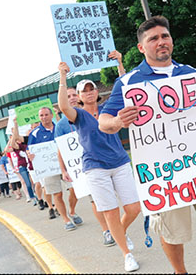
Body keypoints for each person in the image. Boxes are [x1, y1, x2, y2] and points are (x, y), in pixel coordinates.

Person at [97, 17, 196, 273]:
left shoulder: (192, 74)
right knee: (172, 234)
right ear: (141, 47)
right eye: (153, 39)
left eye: (165, 36)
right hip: (165, 174)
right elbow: (103, 122)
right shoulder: (128, 83)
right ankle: (180, 271)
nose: (161, 42)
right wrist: (117, 120)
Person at [58, 67, 141, 272]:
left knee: (133, 208)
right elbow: (62, 105)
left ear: (97, 92)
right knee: (111, 212)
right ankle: (127, 254)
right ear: (78, 96)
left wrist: (120, 63)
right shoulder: (77, 115)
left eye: (91, 89)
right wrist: (62, 76)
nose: (88, 92)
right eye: (83, 90)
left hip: (120, 162)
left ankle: (119, 233)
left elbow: (126, 88)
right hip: (95, 168)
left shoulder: (108, 108)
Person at [55, 85, 115, 246]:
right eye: (68, 96)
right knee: (95, 199)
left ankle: (116, 227)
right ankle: (107, 231)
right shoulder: (61, 125)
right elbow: (61, 148)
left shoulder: (94, 111)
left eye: (74, 95)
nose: (72, 98)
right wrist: (63, 169)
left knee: (110, 199)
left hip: (107, 161)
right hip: (84, 166)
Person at [28, 106, 78, 228]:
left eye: (46, 114)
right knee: (57, 194)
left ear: (51, 115)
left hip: (66, 165)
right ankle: (66, 220)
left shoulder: (59, 127)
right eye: (41, 115)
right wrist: (30, 155)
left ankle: (72, 211)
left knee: (75, 190)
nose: (44, 117)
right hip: (49, 169)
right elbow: (30, 150)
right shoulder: (35, 133)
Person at [7, 129, 37, 203]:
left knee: (33, 181)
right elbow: (7, 149)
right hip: (22, 166)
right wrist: (10, 140)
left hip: (31, 165)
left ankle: (35, 194)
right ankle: (32, 197)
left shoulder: (26, 145)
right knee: (27, 182)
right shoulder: (16, 147)